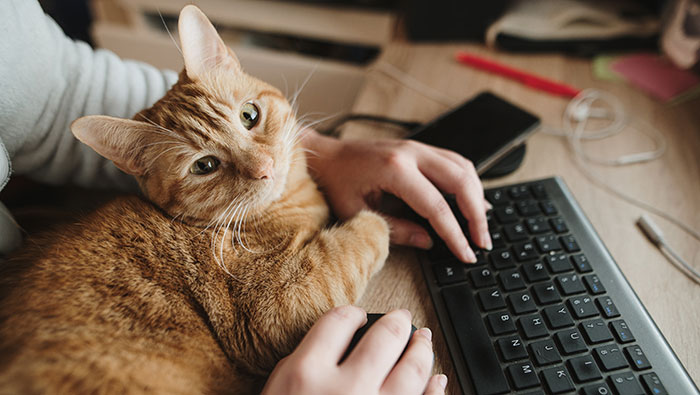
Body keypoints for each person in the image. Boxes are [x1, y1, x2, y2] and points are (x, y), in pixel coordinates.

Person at [0, 0, 491, 392]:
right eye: (206, 167)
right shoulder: (218, 241)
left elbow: (52, 88)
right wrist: (371, 230)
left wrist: (324, 149)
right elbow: (280, 320)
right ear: (143, 173)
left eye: (251, 117)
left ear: (230, 64)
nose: (261, 167)